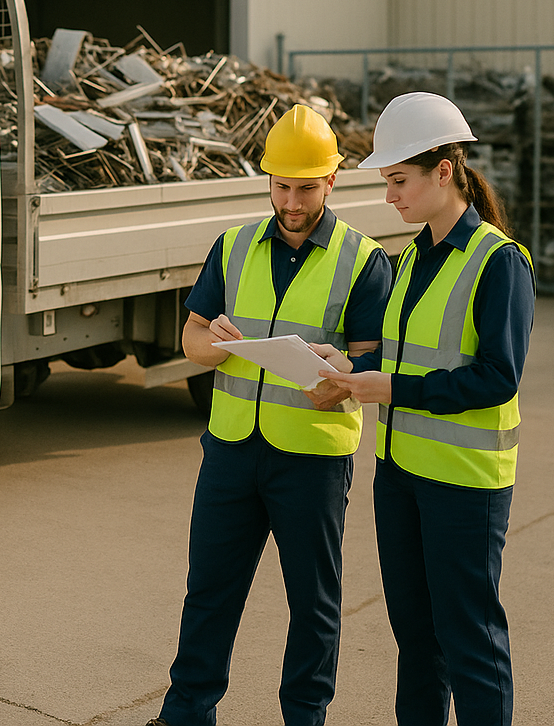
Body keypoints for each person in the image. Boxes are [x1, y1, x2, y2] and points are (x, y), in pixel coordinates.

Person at [148, 104, 393, 726]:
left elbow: (372, 367)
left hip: (311, 457)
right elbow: (192, 341)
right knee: (209, 591)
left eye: (306, 187)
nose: (291, 200)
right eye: (281, 185)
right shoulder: (232, 248)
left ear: (331, 182)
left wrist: (340, 374)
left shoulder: (363, 261)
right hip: (231, 450)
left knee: (312, 603)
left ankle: (305, 716)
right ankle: (186, 713)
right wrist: (219, 345)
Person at [315, 92, 535, 726]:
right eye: (388, 183)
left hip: (465, 487)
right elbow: (397, 357)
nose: (390, 196)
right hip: (402, 478)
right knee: (415, 641)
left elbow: (498, 377)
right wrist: (344, 370)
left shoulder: (499, 262)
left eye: (398, 180)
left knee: (470, 640)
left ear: (445, 170)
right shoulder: (410, 256)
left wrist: (393, 390)